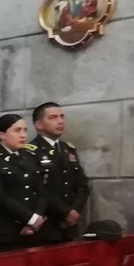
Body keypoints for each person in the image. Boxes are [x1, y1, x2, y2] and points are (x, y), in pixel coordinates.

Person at [0, 114, 50, 252]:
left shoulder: (30, 157)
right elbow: (0, 197)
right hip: (9, 231)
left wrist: (36, 220)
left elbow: (42, 192)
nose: (23, 135)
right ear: (2, 134)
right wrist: (30, 218)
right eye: (17, 130)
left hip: (34, 231)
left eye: (25, 130)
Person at [29, 101, 90, 241]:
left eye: (62, 116)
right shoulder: (31, 151)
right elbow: (38, 189)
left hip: (70, 225)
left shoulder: (67, 149)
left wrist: (76, 210)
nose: (60, 121)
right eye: (53, 118)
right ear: (38, 124)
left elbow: (82, 184)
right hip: (47, 224)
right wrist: (65, 212)